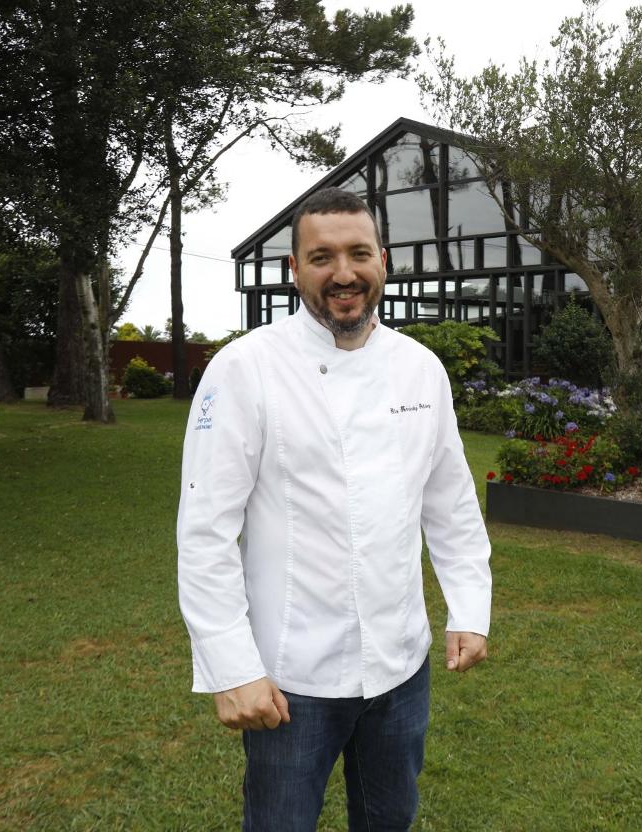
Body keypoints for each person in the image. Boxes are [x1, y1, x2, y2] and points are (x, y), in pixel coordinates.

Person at [177, 187, 492, 831]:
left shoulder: (420, 368)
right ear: (294, 269)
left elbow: (451, 501)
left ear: (384, 260)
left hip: (402, 666)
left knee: (389, 820)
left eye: (357, 254)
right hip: (292, 679)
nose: (343, 274)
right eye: (321, 257)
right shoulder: (245, 368)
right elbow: (206, 530)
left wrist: (469, 607)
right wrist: (231, 666)